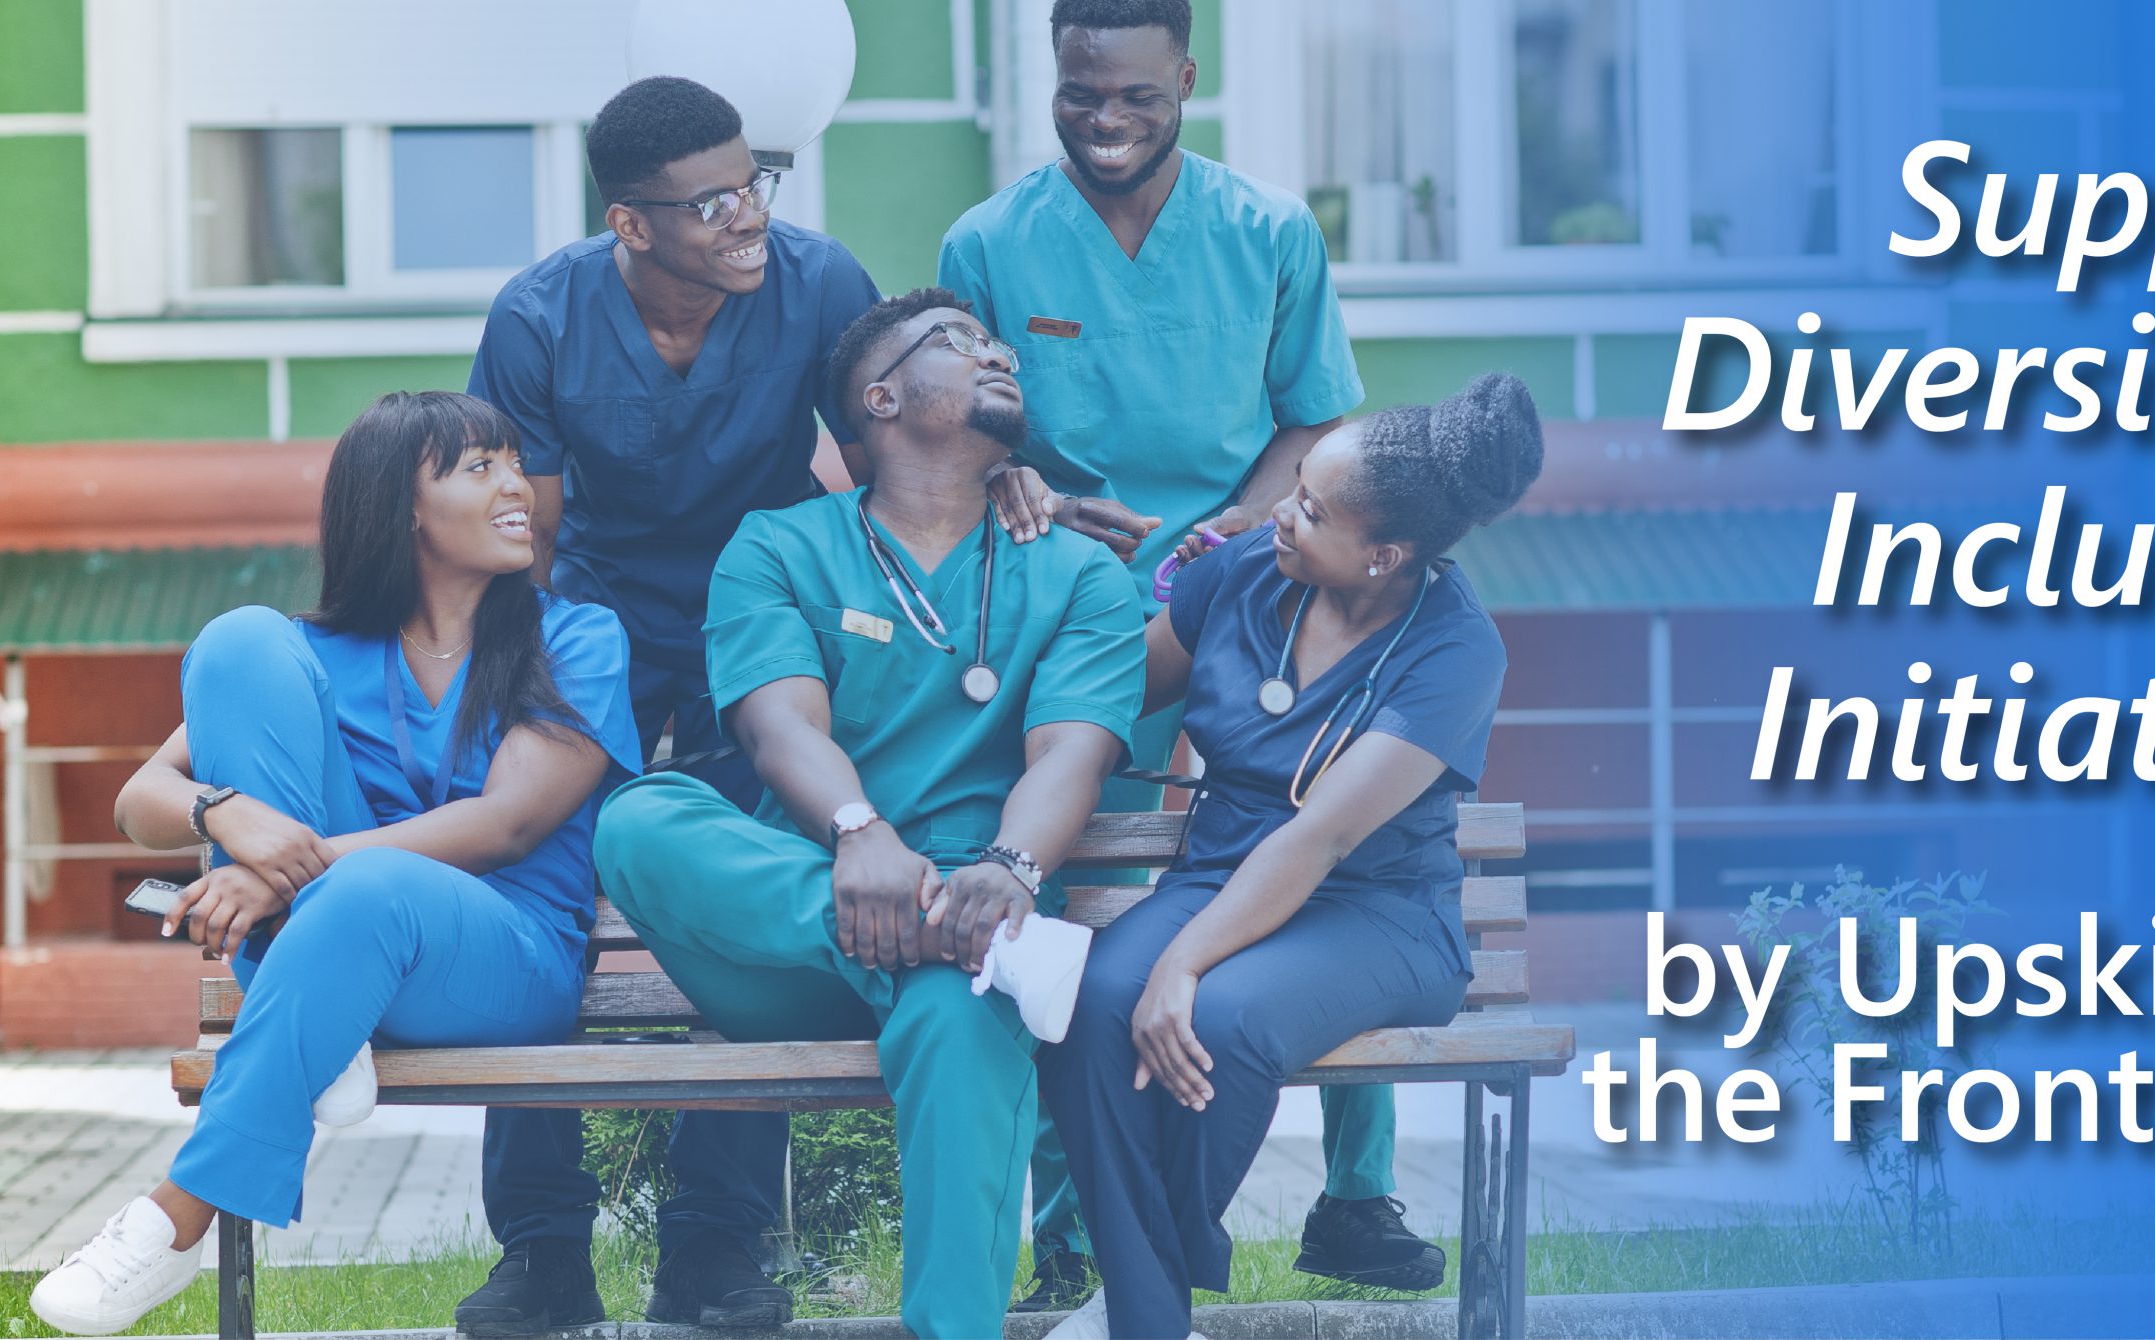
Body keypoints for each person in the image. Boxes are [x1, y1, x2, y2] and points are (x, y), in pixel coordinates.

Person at [936, 0, 1424, 1305]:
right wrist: (1019, 484)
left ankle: (1358, 1196)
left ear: (1188, 83)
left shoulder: (1268, 231)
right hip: (1080, 614)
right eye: (1081, 94)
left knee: (1325, 855)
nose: (1105, 121)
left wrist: (1226, 540)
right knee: (1072, 883)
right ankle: (1067, 1230)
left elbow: (1317, 426)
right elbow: (968, 434)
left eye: (1137, 99)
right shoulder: (988, 243)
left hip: (1259, 580)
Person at [591, 288, 1145, 1340]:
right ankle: (938, 936)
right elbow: (776, 726)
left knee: (960, 1013)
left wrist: (1014, 869)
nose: (996, 354)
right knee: (640, 818)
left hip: (987, 905)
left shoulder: (1079, 574)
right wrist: (860, 832)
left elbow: (1071, 748)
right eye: (958, 342)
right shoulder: (778, 546)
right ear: (879, 396)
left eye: (1000, 342)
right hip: (798, 935)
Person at [27, 392, 641, 1338]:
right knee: (237, 639)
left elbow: (508, 824)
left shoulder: (576, 637)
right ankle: (326, 1017)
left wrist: (279, 876)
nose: (519, 486)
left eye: (516, 463)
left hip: (504, 957)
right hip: (343, 932)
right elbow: (139, 798)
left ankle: (175, 1215)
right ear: (403, 505)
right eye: (480, 468)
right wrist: (222, 811)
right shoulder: (324, 652)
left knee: (365, 884)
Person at [461, 75, 879, 1333]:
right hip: (592, 616)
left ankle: (716, 1247)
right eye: (710, 203)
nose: (746, 215)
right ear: (630, 223)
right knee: (534, 882)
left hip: (763, 608)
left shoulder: (820, 282)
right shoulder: (539, 315)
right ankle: (541, 1249)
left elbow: (890, 469)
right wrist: (525, 711)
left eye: (752, 181)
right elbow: (521, 532)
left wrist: (1006, 480)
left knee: (747, 912)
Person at [1038, 374, 1545, 1340]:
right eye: (1294, 485)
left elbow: (1323, 835)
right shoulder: (1244, 572)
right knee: (1094, 1003)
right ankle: (1148, 1309)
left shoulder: (1452, 651)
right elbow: (1116, 695)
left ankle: (1134, 1311)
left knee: (1220, 1020)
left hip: (1378, 918)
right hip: (1217, 880)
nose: (1282, 512)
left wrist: (1183, 962)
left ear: (1384, 555)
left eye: (1311, 508)